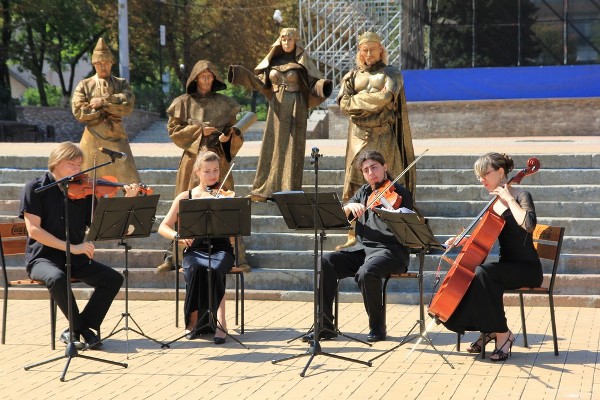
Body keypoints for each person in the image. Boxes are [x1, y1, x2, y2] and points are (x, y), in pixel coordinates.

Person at [19, 142, 141, 349]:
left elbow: (100, 225)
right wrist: (71, 247)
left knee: (112, 279)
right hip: (42, 258)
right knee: (57, 277)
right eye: (72, 165)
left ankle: (76, 329)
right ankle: (83, 330)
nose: (78, 170)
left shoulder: (84, 190)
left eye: (79, 165)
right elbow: (34, 231)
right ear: (56, 163)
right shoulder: (35, 188)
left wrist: (127, 201)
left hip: (75, 258)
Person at [441, 152, 542, 361]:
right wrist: (464, 240)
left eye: (485, 174)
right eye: (478, 176)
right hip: (506, 268)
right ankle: (491, 330)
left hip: (527, 269)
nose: (481, 179)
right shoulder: (494, 203)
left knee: (484, 273)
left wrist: (509, 199)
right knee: (479, 274)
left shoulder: (521, 195)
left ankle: (502, 333)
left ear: (501, 172)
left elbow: (529, 225)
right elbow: (487, 235)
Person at [311, 150, 414, 343]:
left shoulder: (400, 192)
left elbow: (408, 224)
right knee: (325, 261)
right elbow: (340, 217)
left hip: (390, 252)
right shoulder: (363, 192)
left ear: (385, 167)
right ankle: (325, 326)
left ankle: (377, 327)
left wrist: (390, 209)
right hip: (363, 250)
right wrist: (349, 208)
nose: (370, 173)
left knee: (366, 273)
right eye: (366, 170)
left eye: (374, 167)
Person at [156, 60, 249, 272]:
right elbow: (174, 132)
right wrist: (199, 131)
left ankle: (235, 258)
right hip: (193, 161)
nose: (206, 80)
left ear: (214, 79)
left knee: (225, 205)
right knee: (187, 204)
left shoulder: (225, 103)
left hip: (219, 159)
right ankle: (177, 258)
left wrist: (229, 137)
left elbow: (234, 130)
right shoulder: (183, 102)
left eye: (209, 76)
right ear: (195, 78)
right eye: (202, 76)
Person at [228, 27, 332, 202]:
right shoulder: (273, 62)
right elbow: (260, 82)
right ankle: (266, 188)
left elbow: (313, 82)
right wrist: (241, 74)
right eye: (283, 39)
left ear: (296, 42)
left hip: (295, 106)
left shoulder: (302, 62)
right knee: (272, 144)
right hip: (276, 107)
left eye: (289, 39)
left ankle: (288, 189)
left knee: (292, 146)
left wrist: (323, 86)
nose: (286, 42)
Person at [336, 31, 416, 250]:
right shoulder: (351, 76)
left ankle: (398, 231)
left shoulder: (392, 73)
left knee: (389, 181)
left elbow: (386, 98)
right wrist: (370, 101)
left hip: (383, 135)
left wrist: (357, 102)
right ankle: (353, 233)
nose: (369, 53)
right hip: (358, 136)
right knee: (354, 182)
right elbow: (343, 104)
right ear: (359, 52)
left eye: (373, 49)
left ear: (381, 50)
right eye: (364, 50)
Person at [158, 151, 235, 344]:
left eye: (216, 170)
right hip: (195, 250)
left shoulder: (225, 196)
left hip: (221, 249)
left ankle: (221, 323)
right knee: (196, 268)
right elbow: (163, 226)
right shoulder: (186, 197)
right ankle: (192, 321)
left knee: (216, 269)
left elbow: (234, 233)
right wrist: (179, 236)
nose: (213, 175)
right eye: (207, 171)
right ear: (197, 172)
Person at [72, 37, 140, 184]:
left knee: (129, 180)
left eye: (106, 63)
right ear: (94, 64)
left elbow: (127, 104)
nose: (103, 67)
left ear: (111, 63)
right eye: (99, 64)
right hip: (92, 139)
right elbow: (79, 110)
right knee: (86, 182)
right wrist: (109, 110)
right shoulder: (84, 85)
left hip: (116, 135)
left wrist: (103, 102)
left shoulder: (122, 84)